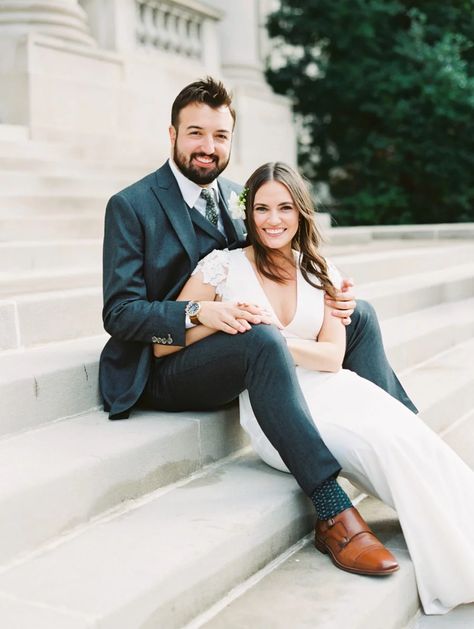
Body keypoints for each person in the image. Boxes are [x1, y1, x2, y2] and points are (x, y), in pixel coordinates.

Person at [100, 77, 415, 578]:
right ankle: (332, 509)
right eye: (196, 133)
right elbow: (118, 314)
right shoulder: (131, 205)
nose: (208, 147)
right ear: (173, 134)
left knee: (360, 315)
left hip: (238, 348)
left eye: (220, 136)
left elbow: (270, 258)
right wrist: (197, 314)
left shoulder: (235, 194)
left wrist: (332, 294)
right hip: (164, 365)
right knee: (263, 336)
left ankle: (412, 450)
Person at [153, 161, 474, 615]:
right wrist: (222, 320)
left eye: (284, 207)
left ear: (301, 212)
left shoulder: (319, 269)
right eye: (261, 208)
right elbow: (162, 347)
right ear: (248, 213)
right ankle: (338, 519)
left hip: (333, 386)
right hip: (278, 408)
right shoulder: (222, 267)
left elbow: (332, 356)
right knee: (379, 442)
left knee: (406, 435)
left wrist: (278, 340)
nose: (272, 219)